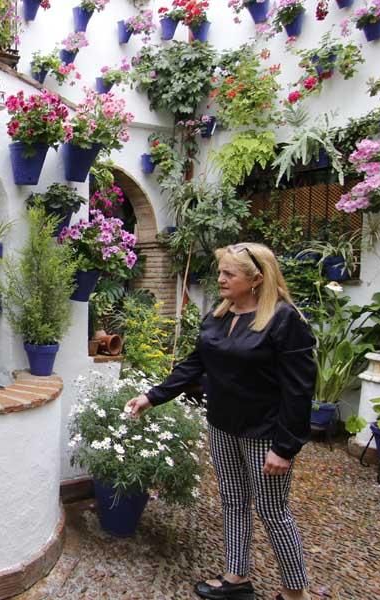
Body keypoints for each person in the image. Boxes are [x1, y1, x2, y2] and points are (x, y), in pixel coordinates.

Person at [126, 242, 316, 600]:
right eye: (220, 272)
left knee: (273, 511)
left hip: (264, 433)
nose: (220, 279)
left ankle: (295, 593)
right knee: (232, 500)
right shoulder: (218, 317)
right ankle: (236, 578)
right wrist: (152, 396)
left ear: (256, 278)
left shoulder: (284, 319)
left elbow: (299, 390)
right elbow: (193, 365)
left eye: (229, 273)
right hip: (222, 426)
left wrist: (285, 447)